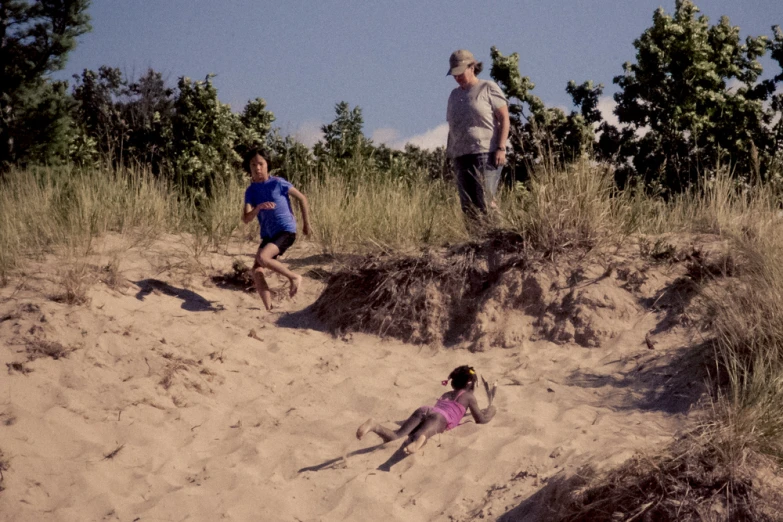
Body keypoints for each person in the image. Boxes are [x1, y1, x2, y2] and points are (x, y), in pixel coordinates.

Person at [356, 365, 496, 454]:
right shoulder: (469, 397)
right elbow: (480, 419)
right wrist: (491, 411)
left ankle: (374, 426)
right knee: (424, 434)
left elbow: (453, 409)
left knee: (397, 435)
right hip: (440, 418)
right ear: (470, 384)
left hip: (425, 410)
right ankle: (418, 443)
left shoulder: (447, 394)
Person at [241, 148, 312, 310]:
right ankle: (269, 308)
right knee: (257, 269)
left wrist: (306, 224)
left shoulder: (278, 182)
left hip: (286, 229)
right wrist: (258, 208)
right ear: (249, 167)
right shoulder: (250, 191)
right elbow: (246, 219)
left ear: (267, 165)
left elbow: (302, 198)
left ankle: (293, 277)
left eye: (261, 164)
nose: (257, 168)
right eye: (253, 165)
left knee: (263, 257)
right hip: (268, 234)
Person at [446, 49, 510, 223]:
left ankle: (500, 235)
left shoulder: (487, 87)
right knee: (467, 205)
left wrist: (501, 147)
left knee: (485, 200)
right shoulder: (454, 95)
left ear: (472, 67)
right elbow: (452, 127)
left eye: (460, 72)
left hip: (485, 152)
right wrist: (449, 153)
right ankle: (476, 241)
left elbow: (504, 118)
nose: (457, 77)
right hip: (460, 154)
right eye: (454, 74)